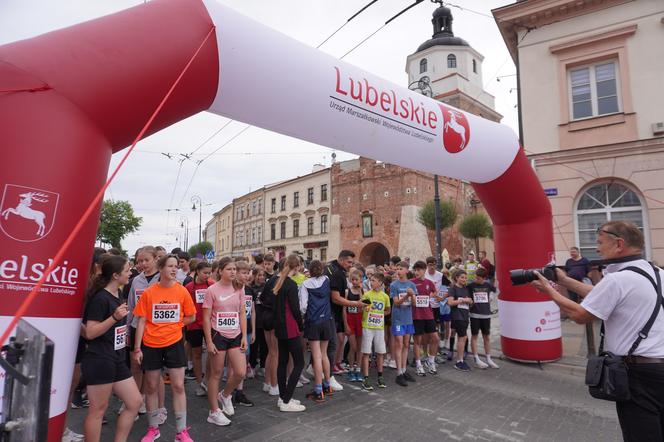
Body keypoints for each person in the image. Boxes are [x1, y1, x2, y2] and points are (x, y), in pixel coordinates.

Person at [531, 221, 664, 442]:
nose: (597, 249)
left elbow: (580, 315)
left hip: (639, 375)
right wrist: (564, 281)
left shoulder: (618, 279)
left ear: (619, 244)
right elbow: (602, 294)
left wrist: (549, 292)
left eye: (600, 242)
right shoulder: (657, 273)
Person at [132, 254, 196, 442]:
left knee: (177, 385)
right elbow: (141, 320)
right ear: (160, 269)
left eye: (176, 266)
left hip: (174, 343)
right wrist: (137, 348)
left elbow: (191, 317)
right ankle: (153, 428)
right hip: (151, 344)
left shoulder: (182, 291)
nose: (174, 269)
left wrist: (175, 323)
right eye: (170, 266)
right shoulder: (150, 292)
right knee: (151, 386)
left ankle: (181, 431)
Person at [81, 255, 142, 442]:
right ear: (115, 275)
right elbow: (90, 332)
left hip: (116, 356)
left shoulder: (119, 294)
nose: (130, 272)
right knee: (98, 410)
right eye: (126, 270)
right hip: (100, 358)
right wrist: (114, 318)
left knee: (134, 402)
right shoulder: (100, 298)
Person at [202, 257, 247, 426]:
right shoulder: (212, 290)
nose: (233, 272)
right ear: (220, 271)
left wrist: (243, 335)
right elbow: (206, 318)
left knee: (240, 372)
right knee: (216, 373)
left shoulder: (240, 288)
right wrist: (209, 341)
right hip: (217, 335)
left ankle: (225, 395)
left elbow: (242, 312)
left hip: (235, 334)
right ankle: (213, 411)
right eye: (229, 269)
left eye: (235, 269)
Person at [325, 250, 364, 391]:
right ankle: (328, 377)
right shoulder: (336, 273)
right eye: (349, 262)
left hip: (331, 314)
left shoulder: (331, 269)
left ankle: (321, 371)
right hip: (331, 314)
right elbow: (335, 297)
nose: (350, 265)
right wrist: (355, 304)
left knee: (331, 345)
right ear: (341, 260)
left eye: (352, 263)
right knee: (332, 346)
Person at [272, 254, 307, 412]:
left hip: (280, 326)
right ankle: (286, 400)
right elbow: (295, 308)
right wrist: (301, 326)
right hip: (290, 326)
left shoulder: (279, 281)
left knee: (283, 362)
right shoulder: (290, 284)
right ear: (297, 266)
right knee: (299, 363)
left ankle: (283, 397)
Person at [299, 260, 333, 402]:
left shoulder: (305, 284)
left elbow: (303, 306)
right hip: (326, 320)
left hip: (313, 321)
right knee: (324, 354)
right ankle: (327, 385)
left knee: (316, 356)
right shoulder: (326, 279)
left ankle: (318, 390)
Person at [184, 261, 213, 397]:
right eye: (205, 273)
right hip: (194, 325)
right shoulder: (189, 287)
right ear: (197, 272)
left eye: (209, 273)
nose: (207, 275)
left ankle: (208, 380)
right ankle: (199, 383)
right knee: (196, 354)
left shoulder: (212, 285)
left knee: (211, 353)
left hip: (209, 324)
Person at [360, 272, 391, 391]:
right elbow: (361, 307)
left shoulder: (385, 296)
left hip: (379, 327)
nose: (371, 282)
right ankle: (366, 378)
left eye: (373, 280)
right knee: (366, 352)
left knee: (380, 352)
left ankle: (380, 376)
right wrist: (364, 308)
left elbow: (388, 310)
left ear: (380, 283)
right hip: (367, 326)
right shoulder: (367, 294)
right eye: (370, 280)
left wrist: (380, 314)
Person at [232, 259, 255, 407]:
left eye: (248, 273)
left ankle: (239, 391)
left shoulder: (249, 290)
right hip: (233, 329)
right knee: (233, 363)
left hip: (247, 329)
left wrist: (253, 331)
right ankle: (230, 391)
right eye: (243, 273)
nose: (247, 276)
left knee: (244, 358)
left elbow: (252, 311)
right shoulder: (231, 289)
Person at [410, 260, 441, 376]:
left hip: (428, 315)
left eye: (419, 270)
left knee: (436, 339)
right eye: (415, 270)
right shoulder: (411, 282)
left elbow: (435, 292)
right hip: (417, 316)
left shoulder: (429, 282)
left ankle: (430, 361)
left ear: (424, 270)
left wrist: (434, 296)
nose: (416, 272)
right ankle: (418, 365)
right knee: (417, 341)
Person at [389, 261, 417, 386]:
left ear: (406, 270)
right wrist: (407, 295)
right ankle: (398, 373)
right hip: (398, 318)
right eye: (397, 268)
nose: (398, 271)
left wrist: (412, 296)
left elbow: (415, 304)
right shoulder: (394, 285)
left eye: (401, 268)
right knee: (399, 344)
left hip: (408, 318)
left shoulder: (411, 284)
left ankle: (404, 370)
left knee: (406, 344)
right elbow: (396, 302)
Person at [468, 267, 499, 369]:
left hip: (486, 315)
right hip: (474, 315)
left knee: (487, 337)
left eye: (479, 278)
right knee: (474, 336)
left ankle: (489, 359)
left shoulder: (488, 285)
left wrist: (491, 298)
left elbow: (497, 291)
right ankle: (476, 358)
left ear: (484, 278)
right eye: (476, 278)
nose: (476, 280)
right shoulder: (471, 285)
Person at [448, 269, 473, 372]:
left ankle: (460, 359)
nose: (464, 279)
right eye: (462, 277)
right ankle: (459, 361)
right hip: (457, 316)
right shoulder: (453, 289)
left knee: (462, 338)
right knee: (462, 338)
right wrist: (463, 300)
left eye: (465, 277)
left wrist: (469, 301)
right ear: (456, 278)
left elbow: (471, 301)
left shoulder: (466, 289)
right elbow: (450, 302)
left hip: (465, 315)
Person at [343, 269, 364, 382]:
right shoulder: (347, 291)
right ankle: (351, 368)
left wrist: (360, 291)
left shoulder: (362, 291)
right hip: (350, 319)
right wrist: (345, 323)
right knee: (353, 347)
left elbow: (363, 305)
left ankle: (358, 369)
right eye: (353, 280)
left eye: (357, 280)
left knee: (360, 347)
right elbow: (344, 308)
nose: (355, 282)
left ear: (360, 280)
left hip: (359, 319)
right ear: (350, 280)